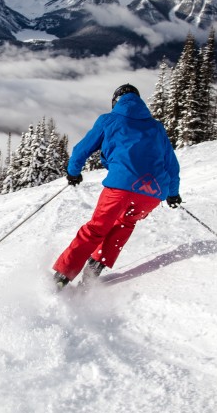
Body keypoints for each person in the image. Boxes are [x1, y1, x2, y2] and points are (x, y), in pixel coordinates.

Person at [52, 83, 181, 289]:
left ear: (115, 102)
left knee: (96, 229)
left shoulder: (108, 120)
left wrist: (73, 173)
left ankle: (61, 277)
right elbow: (172, 165)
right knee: (124, 224)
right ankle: (94, 270)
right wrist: (173, 194)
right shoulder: (156, 127)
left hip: (121, 188)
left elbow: (81, 150)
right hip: (153, 193)